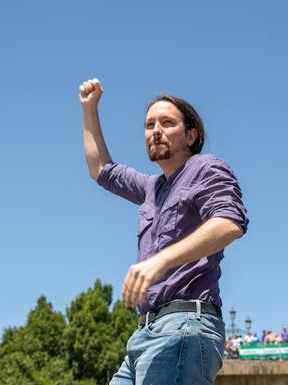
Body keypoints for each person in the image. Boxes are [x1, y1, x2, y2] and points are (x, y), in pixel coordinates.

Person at [80, 79, 248, 384]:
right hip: (143, 334)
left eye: (167, 123)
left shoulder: (205, 167)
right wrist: (89, 109)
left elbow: (228, 222)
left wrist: (161, 260)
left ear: (190, 135)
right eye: (149, 124)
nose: (155, 130)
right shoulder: (150, 189)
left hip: (183, 327)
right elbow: (100, 169)